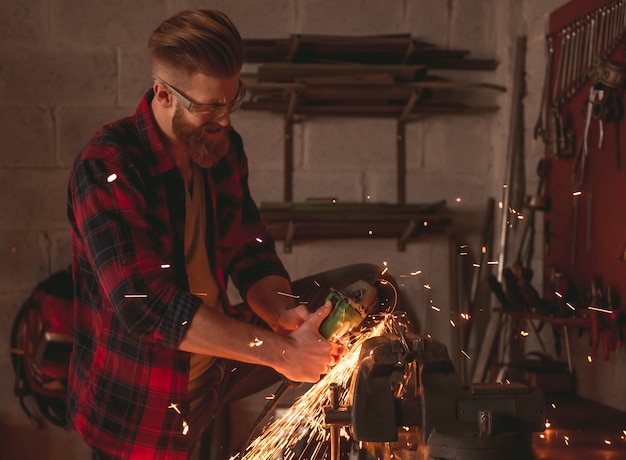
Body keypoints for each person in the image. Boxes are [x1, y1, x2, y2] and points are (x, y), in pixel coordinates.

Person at [66, 9, 357, 459]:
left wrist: (286, 316)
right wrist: (282, 354)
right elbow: (145, 306)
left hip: (214, 369)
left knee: (363, 282)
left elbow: (247, 247)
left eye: (230, 100)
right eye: (207, 107)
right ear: (163, 93)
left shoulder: (220, 148)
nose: (223, 118)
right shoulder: (107, 166)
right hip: (140, 402)